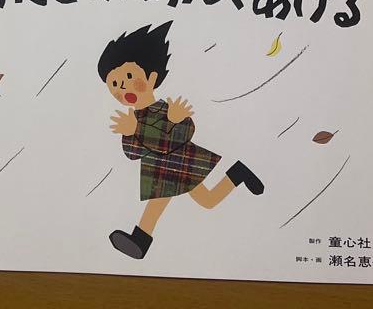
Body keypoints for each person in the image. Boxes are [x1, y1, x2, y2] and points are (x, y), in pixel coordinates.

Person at [99, 21, 264, 260]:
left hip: (180, 163)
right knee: (198, 201)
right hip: (162, 169)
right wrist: (128, 132)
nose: (122, 87)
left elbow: (182, 135)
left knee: (198, 202)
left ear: (152, 78)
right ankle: (237, 173)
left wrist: (169, 121)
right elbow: (132, 154)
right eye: (114, 84)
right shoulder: (133, 119)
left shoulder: (164, 110)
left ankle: (140, 240)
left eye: (128, 76)